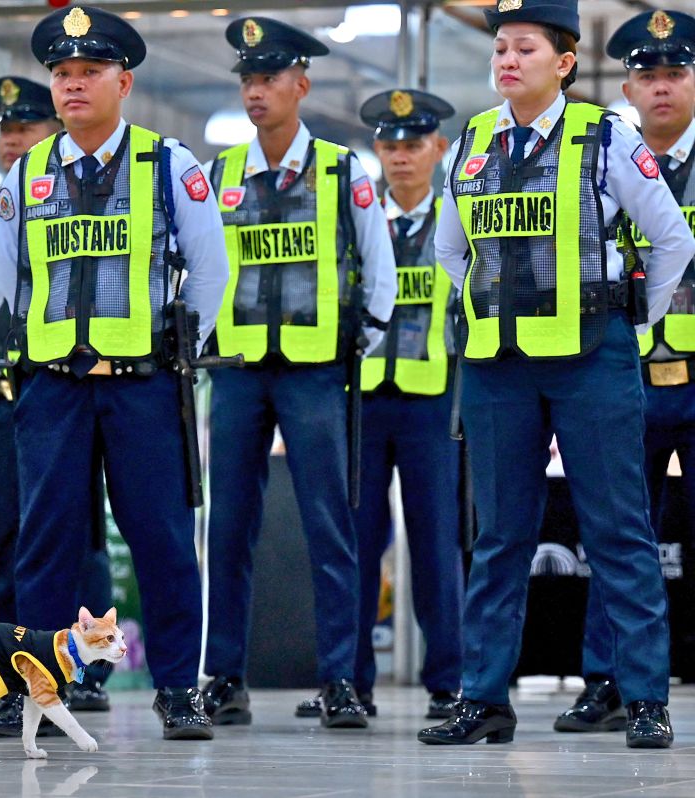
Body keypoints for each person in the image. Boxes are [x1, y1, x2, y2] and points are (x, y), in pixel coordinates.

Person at [419, 0, 692, 749]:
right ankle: (484, 698)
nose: (508, 60)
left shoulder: (606, 137)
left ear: (565, 63)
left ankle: (644, 698)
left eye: (526, 48)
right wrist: (496, 310)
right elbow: (450, 251)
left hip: (590, 360)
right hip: (499, 367)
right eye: (501, 48)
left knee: (619, 530)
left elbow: (670, 240)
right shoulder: (472, 140)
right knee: (499, 536)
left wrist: (628, 323)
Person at [0, 5, 228, 740]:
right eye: (62, 73)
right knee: (44, 546)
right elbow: (6, 278)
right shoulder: (27, 174)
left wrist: (173, 351)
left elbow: (210, 273)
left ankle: (178, 690)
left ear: (123, 83)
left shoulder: (168, 165)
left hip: (142, 387)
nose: (73, 84)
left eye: (90, 72)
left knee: (161, 542)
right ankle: (34, 688)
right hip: (54, 388)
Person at [199, 17, 396, 729]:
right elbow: (198, 268)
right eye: (248, 80)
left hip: (316, 373)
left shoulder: (342, 171)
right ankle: (224, 676)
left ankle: (340, 679)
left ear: (301, 85)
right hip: (238, 373)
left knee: (329, 524)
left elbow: (380, 271)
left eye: (270, 78)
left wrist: (355, 346)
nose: (256, 91)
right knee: (228, 527)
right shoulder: (218, 175)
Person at [554, 7, 695, 736]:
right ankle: (607, 683)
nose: (661, 87)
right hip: (622, 374)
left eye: (675, 73)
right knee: (614, 537)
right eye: (647, 76)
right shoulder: (600, 161)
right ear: (628, 89)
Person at [0, 75, 114, 729]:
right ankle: (13, 666)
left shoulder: (70, 199)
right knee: (9, 535)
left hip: (59, 386)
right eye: (5, 131)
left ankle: (88, 670)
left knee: (78, 535)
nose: (11, 142)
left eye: (24, 129)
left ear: (52, 132)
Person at [350, 88, 463, 721]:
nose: (400, 156)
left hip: (434, 403)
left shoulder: (458, 219)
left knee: (437, 544)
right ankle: (350, 682)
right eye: (389, 145)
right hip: (363, 403)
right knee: (357, 545)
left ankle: (448, 682)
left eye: (413, 144)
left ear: (438, 148)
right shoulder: (360, 220)